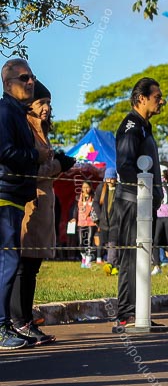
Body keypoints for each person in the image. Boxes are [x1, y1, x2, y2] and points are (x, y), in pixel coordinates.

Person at [12, 79, 73, 346]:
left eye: (48, 102)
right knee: (22, 266)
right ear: (29, 106)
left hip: (43, 208)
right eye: (41, 103)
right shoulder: (25, 131)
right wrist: (59, 164)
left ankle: (26, 318)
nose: (46, 108)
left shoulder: (41, 131)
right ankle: (19, 321)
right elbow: (30, 172)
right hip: (29, 207)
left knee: (32, 267)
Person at [0, 59, 53, 349]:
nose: (30, 82)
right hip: (5, 195)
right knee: (9, 264)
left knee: (11, 263)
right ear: (8, 85)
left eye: (32, 77)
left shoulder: (16, 114)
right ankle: (4, 326)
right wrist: (36, 157)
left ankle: (11, 325)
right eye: (24, 78)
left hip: (16, 196)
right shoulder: (6, 112)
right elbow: (6, 151)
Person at [111, 77, 165, 332]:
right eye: (157, 97)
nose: (162, 101)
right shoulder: (132, 125)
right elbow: (125, 166)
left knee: (142, 259)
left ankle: (140, 310)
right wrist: (145, 195)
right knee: (131, 259)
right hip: (132, 204)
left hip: (143, 205)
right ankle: (126, 314)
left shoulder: (145, 126)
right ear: (141, 98)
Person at [97, 168, 119, 274]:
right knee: (106, 243)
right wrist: (99, 217)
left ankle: (110, 263)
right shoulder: (101, 188)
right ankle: (115, 266)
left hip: (116, 223)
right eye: (108, 178)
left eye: (112, 178)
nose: (110, 180)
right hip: (104, 223)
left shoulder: (119, 190)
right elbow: (96, 203)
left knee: (113, 243)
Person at [73, 181, 98, 268]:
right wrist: (73, 218)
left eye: (87, 187)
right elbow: (75, 209)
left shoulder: (94, 197)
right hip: (81, 222)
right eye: (84, 187)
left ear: (91, 187)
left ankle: (88, 261)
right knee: (80, 243)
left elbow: (97, 209)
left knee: (89, 241)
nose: (85, 189)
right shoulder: (78, 197)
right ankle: (83, 257)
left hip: (91, 222)